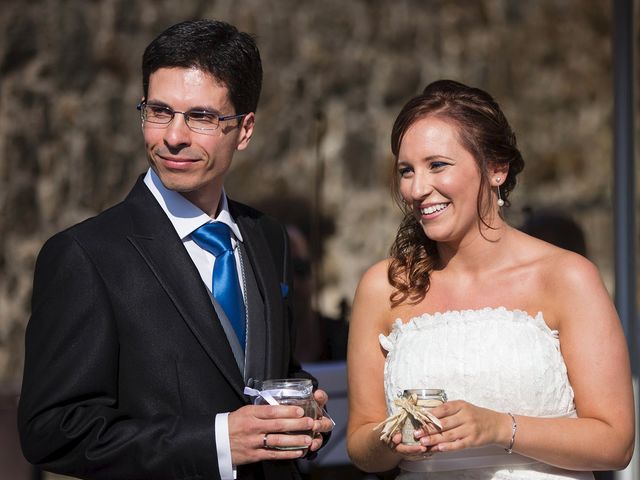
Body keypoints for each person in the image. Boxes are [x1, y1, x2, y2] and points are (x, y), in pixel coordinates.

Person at [18, 19, 333, 480]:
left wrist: (303, 408)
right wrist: (216, 442)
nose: (173, 136)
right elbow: (52, 431)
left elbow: (265, 372)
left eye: (201, 117)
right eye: (159, 111)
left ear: (244, 130)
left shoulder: (268, 236)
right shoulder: (84, 255)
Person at [346, 80, 634, 479]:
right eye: (406, 171)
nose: (417, 188)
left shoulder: (568, 278)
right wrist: (391, 438)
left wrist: (500, 427)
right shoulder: (384, 287)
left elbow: (615, 442)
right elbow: (361, 443)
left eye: (437, 165)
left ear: (496, 169)